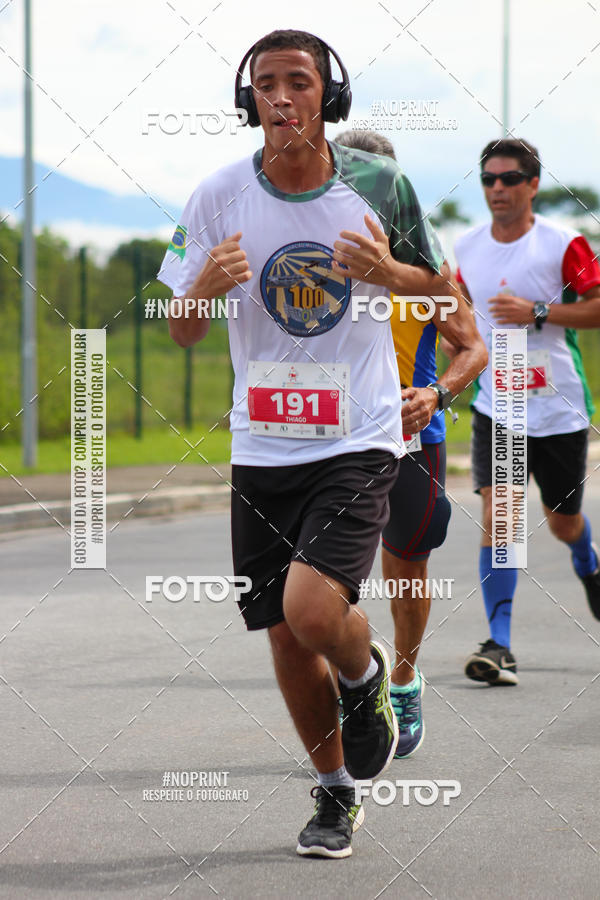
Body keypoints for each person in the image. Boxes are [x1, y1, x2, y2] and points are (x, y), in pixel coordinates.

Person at [160, 28, 451, 859]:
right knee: (286, 636)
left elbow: (438, 287)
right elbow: (180, 327)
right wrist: (201, 295)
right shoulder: (215, 194)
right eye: (265, 84)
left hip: (357, 434)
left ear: (329, 95)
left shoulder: (380, 186)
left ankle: (366, 678)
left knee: (313, 609)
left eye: (298, 82)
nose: (281, 97)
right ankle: (336, 794)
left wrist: (390, 274)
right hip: (263, 443)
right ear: (247, 98)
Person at [334, 130, 487, 755]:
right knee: (320, 584)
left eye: (375, 185)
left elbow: (473, 346)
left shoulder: (425, 270)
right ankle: (353, 693)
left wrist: (439, 394)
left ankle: (402, 680)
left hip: (407, 434)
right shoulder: (309, 253)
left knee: (404, 571)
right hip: (329, 435)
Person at [453, 137, 600, 686]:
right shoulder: (466, 247)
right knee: (503, 519)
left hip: (558, 410)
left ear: (533, 184)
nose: (497, 188)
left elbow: (597, 307)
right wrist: (457, 342)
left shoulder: (564, 243)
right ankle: (500, 645)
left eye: (509, 179)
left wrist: (537, 310)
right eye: (489, 179)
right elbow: (461, 315)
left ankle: (588, 560)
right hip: (501, 407)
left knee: (562, 524)